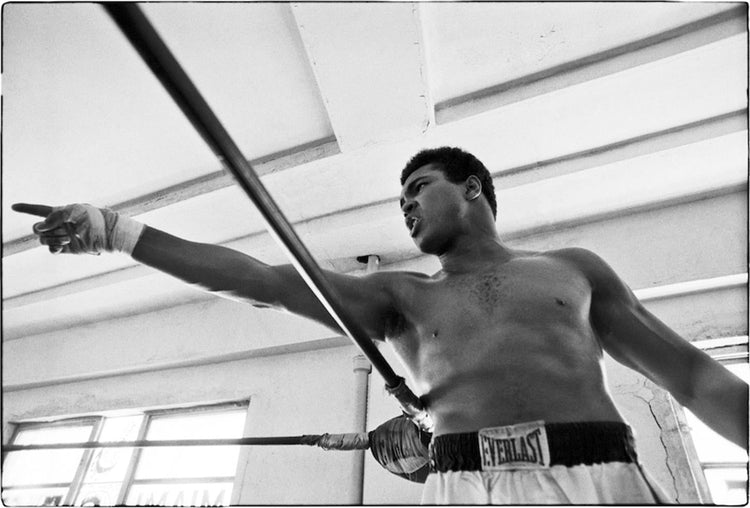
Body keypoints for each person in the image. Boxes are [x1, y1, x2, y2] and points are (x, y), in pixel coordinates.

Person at [15, 146, 747, 504]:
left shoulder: (572, 267)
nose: (405, 206)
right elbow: (264, 283)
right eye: (400, 200)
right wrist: (116, 230)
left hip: (597, 474)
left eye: (417, 189)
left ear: (474, 190)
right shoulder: (401, 295)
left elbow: (687, 373)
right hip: (465, 482)